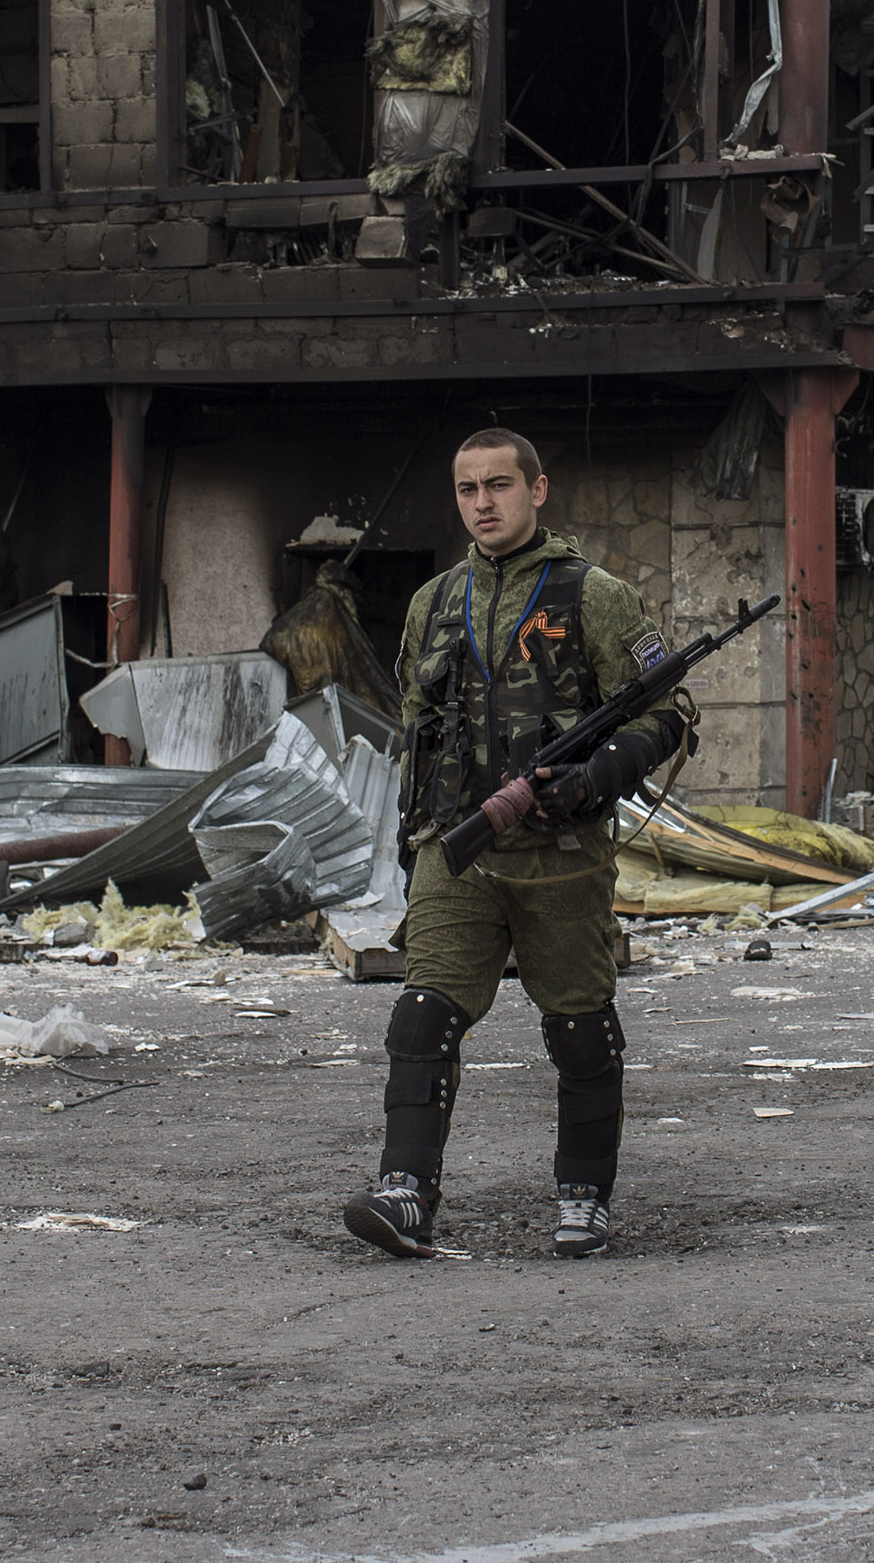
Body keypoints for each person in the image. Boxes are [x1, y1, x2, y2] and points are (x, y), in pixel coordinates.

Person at [343, 427, 693, 1260]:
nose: (483, 503)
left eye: (499, 484)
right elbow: (416, 727)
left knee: (578, 1024)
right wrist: (410, 841)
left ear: (538, 490)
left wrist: (598, 777)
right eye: (468, 489)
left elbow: (668, 712)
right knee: (423, 1013)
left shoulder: (593, 595)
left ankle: (583, 1195)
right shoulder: (434, 601)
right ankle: (405, 1192)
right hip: (454, 846)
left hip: (561, 856)